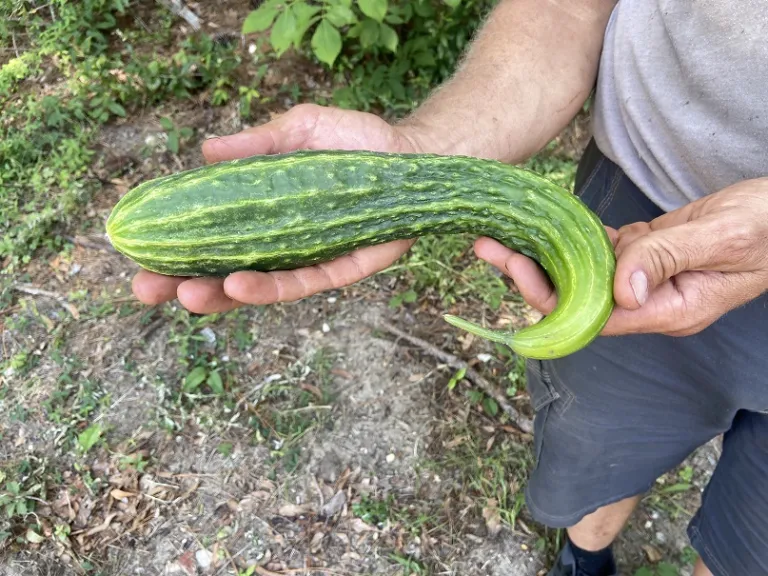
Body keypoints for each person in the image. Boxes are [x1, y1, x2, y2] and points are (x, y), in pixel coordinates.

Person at [131, 1, 768, 574]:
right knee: (601, 443)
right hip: (635, 216)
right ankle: (587, 555)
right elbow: (566, 10)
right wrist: (418, 149)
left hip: (633, 247)